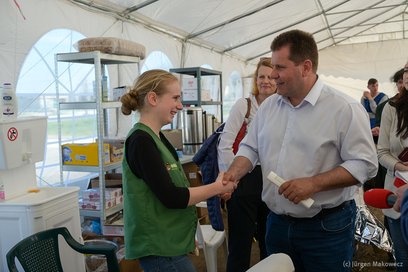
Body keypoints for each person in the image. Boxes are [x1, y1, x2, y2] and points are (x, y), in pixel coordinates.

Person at [222, 29, 378, 271]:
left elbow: (365, 164)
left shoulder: (343, 108)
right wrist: (233, 172)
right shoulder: (269, 107)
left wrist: (314, 183)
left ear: (306, 67)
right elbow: (250, 148)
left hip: (327, 229)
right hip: (276, 225)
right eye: (273, 67)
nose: (273, 75)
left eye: (280, 68)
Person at [120, 69, 236, 272]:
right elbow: (173, 197)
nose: (180, 105)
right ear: (153, 98)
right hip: (159, 248)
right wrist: (217, 187)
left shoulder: (157, 137)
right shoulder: (141, 141)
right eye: (175, 98)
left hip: (170, 244)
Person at [218, 57, 276, 272]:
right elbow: (225, 145)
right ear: (255, 79)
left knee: (268, 240)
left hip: (271, 179)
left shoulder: (281, 105)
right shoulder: (244, 105)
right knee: (240, 243)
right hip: (244, 178)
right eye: (261, 76)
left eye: (270, 76)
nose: (266, 81)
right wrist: (230, 179)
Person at [377, 62, 408, 271]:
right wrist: (399, 166)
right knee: (403, 258)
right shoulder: (391, 108)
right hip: (396, 195)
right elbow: (382, 152)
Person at [361, 78, 389, 143]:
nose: (375, 88)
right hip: (366, 122)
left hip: (378, 123)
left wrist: (370, 98)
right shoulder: (364, 98)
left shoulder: (383, 97)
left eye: (377, 85)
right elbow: (362, 111)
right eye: (373, 86)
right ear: (368, 87)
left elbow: (377, 111)